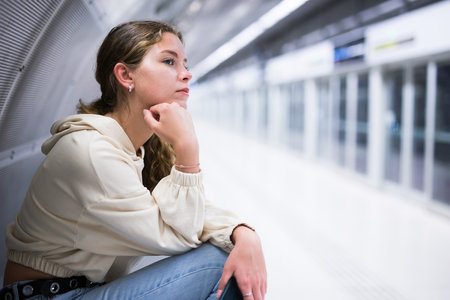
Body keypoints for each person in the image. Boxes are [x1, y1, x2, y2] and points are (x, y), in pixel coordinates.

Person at [1, 20, 266, 299]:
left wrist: (240, 231)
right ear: (126, 76)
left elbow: (186, 213)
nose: (186, 74)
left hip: (78, 291)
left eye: (185, 64)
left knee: (229, 257)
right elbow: (179, 235)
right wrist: (188, 148)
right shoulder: (90, 152)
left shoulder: (136, 147)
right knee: (218, 263)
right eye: (169, 61)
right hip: (49, 296)